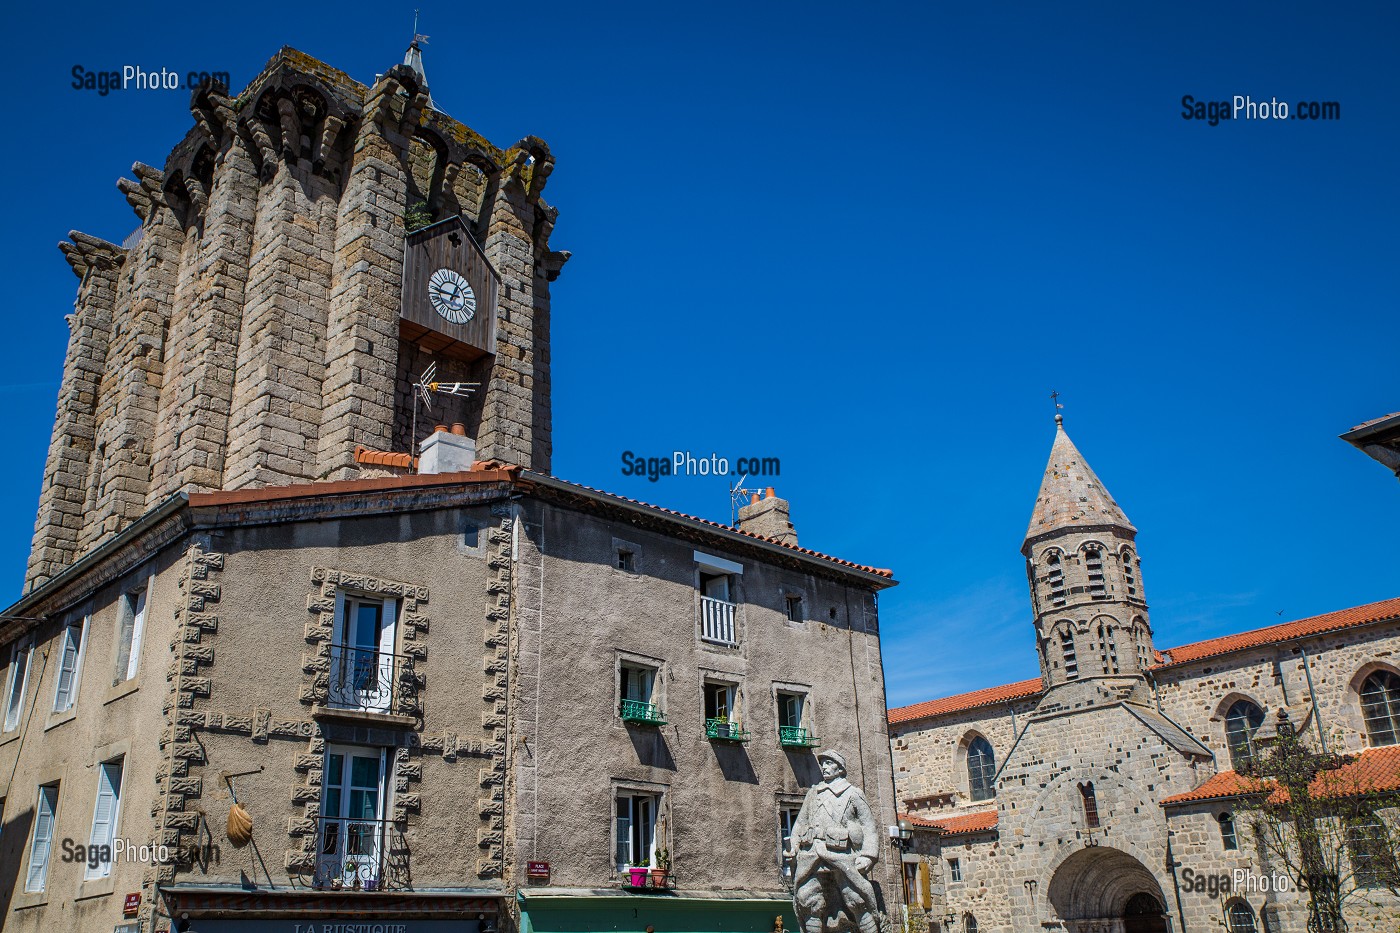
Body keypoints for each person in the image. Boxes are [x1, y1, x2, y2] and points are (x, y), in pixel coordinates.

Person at [788, 750, 881, 933]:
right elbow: (800, 824)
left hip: (842, 854)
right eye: (823, 764)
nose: (824, 767)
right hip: (813, 854)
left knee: (855, 898)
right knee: (808, 899)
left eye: (829, 763)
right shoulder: (813, 793)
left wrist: (868, 856)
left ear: (840, 768)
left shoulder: (853, 793)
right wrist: (793, 847)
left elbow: (868, 826)